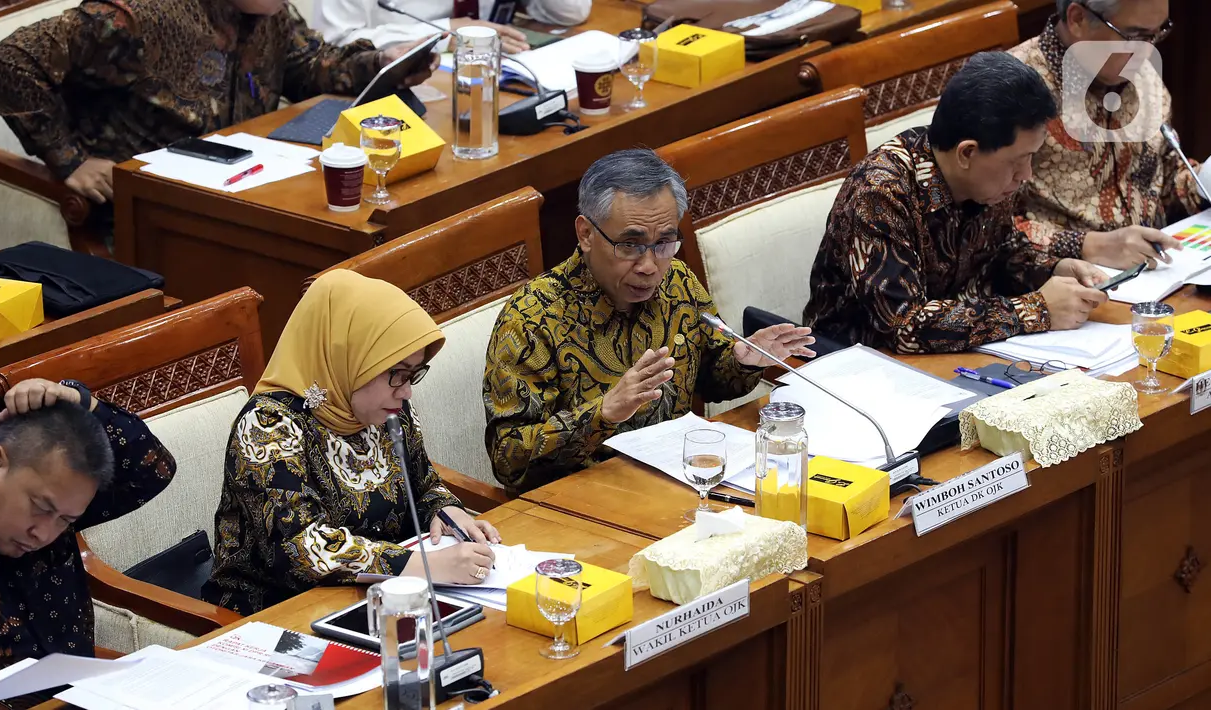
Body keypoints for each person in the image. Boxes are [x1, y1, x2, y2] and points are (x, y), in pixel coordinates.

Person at [483, 149, 816, 495]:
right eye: (630, 244)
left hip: (677, 487)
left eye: (664, 243)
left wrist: (744, 360)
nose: (649, 265)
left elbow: (714, 379)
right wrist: (604, 413)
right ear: (585, 234)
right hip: (579, 507)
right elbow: (508, 460)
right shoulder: (532, 318)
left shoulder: (678, 282)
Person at [203, 270, 500, 616]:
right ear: (348, 356)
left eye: (414, 374)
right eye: (397, 373)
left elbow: (423, 482)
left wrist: (445, 510)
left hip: (380, 601)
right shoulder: (268, 426)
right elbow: (303, 548)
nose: (406, 391)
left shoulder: (389, 410)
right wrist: (427, 566)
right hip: (276, 616)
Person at [804, 51, 1125, 355]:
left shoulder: (988, 182)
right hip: (857, 371)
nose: (1026, 175)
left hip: (954, 361)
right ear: (967, 153)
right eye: (1019, 161)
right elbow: (905, 327)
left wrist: (1053, 269)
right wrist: (1037, 309)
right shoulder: (879, 194)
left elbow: (1002, 253)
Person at [0, 0, 436, 207]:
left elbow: (311, 68)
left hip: (249, 186)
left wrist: (383, 64)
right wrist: (70, 159)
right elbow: (12, 60)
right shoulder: (137, 16)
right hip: (149, 208)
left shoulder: (268, 12)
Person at [0, 379, 175, 709]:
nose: (43, 534)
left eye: (65, 521)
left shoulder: (58, 513)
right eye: (41, 508)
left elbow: (153, 470)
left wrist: (81, 400)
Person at [1009, 0, 1208, 262]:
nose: (1147, 52)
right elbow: (982, 233)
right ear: (1078, 18)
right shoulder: (1011, 92)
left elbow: (1167, 180)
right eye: (1134, 36)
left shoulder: (1138, 73)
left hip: (1160, 267)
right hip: (1066, 283)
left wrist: (1204, 181)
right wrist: (1088, 245)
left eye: (1157, 33)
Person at [316, 0, 590, 52]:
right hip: (392, 96)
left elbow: (571, 12)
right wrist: (441, 35)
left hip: (501, 73)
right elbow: (331, 43)